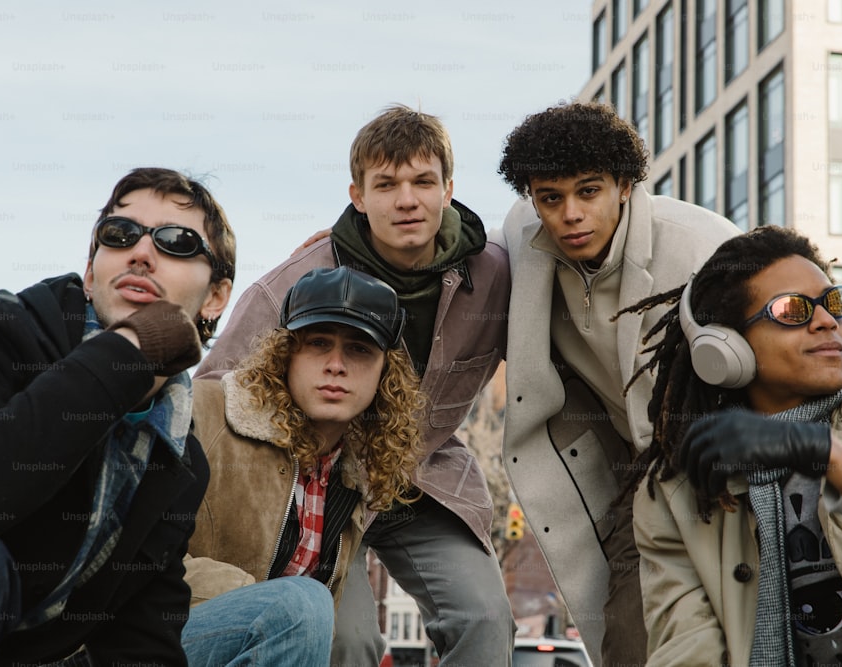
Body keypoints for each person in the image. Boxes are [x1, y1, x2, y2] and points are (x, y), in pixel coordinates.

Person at [194, 104, 514, 666]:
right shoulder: (297, 284)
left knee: (485, 619)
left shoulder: (497, 278)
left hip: (424, 476)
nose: (407, 200)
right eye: (386, 184)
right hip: (323, 481)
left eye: (423, 181)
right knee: (345, 639)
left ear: (449, 189)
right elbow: (217, 389)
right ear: (357, 196)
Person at [0, 167, 235, 666]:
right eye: (119, 235)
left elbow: (140, 637)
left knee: (289, 608)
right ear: (92, 271)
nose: (141, 253)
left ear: (215, 297)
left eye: (176, 242)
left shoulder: (178, 459)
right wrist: (129, 351)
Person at [623, 225, 842, 666]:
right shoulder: (676, 490)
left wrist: (822, 453)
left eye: (834, 303)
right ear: (727, 349)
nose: (827, 321)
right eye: (792, 310)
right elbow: (686, 646)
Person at [496, 100, 740, 664]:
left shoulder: (699, 247)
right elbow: (455, 252)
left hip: (736, 465)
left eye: (589, 191)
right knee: (628, 638)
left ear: (625, 185)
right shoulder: (525, 241)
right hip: (642, 476)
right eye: (550, 198)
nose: (570, 215)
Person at [181, 266, 425, 667]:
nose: (335, 365)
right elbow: (137, 559)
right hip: (144, 642)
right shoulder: (202, 412)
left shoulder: (353, 477)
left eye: (360, 348)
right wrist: (266, 601)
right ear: (286, 354)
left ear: (386, 374)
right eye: (317, 342)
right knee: (303, 603)